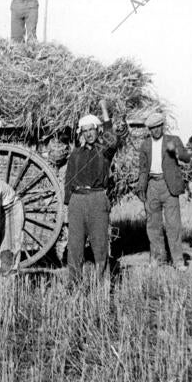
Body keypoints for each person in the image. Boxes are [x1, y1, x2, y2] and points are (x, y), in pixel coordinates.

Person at [63, 100, 120, 285]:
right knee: (75, 247)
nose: (88, 134)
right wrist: (69, 204)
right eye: (85, 130)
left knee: (100, 244)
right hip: (77, 201)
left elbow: (113, 138)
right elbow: (69, 180)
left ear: (98, 130)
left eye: (92, 129)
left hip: (97, 199)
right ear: (81, 133)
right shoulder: (75, 154)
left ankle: (102, 286)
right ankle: (74, 285)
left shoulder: (104, 150)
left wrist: (104, 110)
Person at [136, 112, 192, 270]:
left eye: (159, 126)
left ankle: (178, 261)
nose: (156, 130)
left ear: (163, 126)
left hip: (169, 187)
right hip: (152, 186)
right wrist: (141, 187)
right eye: (153, 128)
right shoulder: (145, 145)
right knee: (153, 225)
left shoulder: (173, 140)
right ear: (149, 129)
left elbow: (186, 158)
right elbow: (142, 169)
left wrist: (176, 151)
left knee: (173, 225)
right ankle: (158, 259)